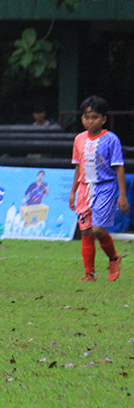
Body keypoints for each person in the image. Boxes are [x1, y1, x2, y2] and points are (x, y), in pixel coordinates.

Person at [68, 95, 128, 281]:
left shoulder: (111, 140)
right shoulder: (79, 139)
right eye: (87, 117)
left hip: (104, 187)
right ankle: (89, 273)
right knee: (85, 231)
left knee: (97, 230)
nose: (90, 121)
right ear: (82, 119)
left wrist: (122, 195)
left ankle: (114, 258)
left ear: (103, 119)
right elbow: (79, 167)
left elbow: (119, 167)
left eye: (94, 117)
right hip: (84, 189)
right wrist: (73, 191)